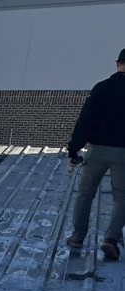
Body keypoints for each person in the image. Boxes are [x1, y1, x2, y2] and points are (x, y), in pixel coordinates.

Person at [66, 48, 125, 260]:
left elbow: (85, 121)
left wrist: (74, 149)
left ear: (118, 64)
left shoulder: (101, 88)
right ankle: (111, 239)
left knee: (85, 193)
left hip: (97, 149)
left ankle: (77, 237)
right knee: (122, 197)